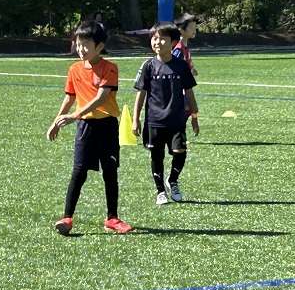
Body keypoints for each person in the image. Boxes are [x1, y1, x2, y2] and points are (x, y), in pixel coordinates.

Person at [47, 21, 133, 236]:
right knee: (79, 171)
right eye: (78, 44)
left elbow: (101, 97)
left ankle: (112, 218)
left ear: (99, 46)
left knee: (110, 172)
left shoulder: (110, 68)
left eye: (86, 44)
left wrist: (75, 115)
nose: (81, 49)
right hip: (85, 127)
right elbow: (69, 98)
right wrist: (56, 122)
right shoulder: (74, 69)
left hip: (107, 126)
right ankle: (67, 217)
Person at [132, 24, 200, 205]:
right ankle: (160, 190)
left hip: (177, 120)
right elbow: (141, 94)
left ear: (173, 42)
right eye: (155, 38)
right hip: (154, 121)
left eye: (162, 39)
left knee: (180, 151)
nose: (157, 42)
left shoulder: (181, 66)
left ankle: (173, 180)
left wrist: (194, 117)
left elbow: (189, 92)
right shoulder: (148, 66)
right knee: (157, 155)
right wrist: (135, 119)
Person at [172, 13, 199, 78]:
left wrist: (191, 69)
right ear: (181, 30)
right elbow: (173, 67)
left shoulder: (184, 47)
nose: (194, 30)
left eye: (195, 27)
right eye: (191, 28)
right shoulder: (178, 49)